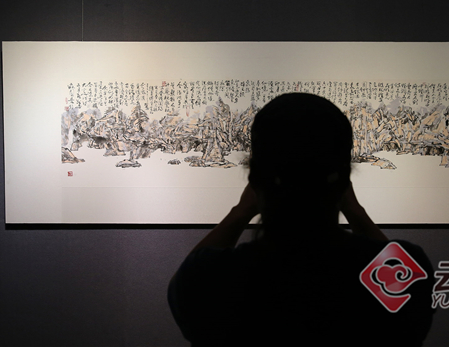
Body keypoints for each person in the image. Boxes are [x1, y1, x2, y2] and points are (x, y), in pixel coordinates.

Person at [168, 93, 435, 346]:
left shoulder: (210, 277)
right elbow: (410, 309)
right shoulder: (400, 272)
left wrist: (240, 212)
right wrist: (356, 211)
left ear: (255, 179)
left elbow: (184, 293)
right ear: (344, 180)